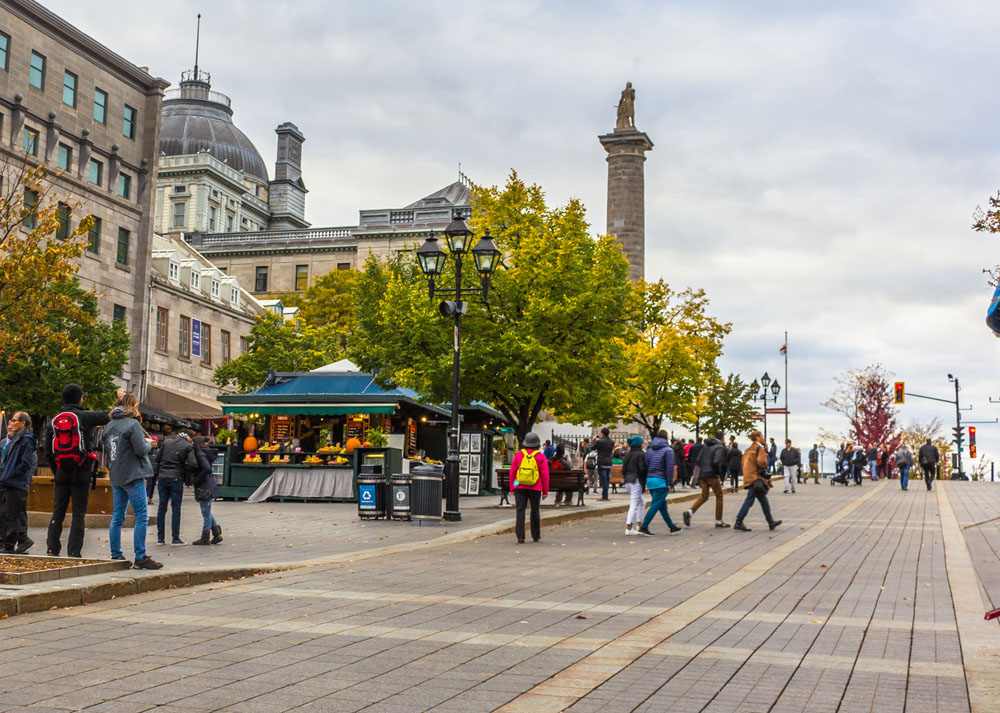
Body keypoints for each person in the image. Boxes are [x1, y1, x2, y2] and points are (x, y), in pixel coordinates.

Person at [45, 384, 122, 558]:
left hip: (61, 472)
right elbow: (110, 415)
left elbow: (48, 451)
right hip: (81, 470)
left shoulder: (54, 421)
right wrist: (121, 401)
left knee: (58, 511)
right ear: (80, 398)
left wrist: (56, 470)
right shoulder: (85, 417)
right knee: (78, 513)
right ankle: (74, 551)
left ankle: (52, 548)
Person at [101, 394, 162, 569]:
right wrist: (150, 443)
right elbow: (140, 450)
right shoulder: (133, 424)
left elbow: (110, 450)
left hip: (116, 474)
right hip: (133, 474)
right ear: (132, 406)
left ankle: (116, 554)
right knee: (141, 516)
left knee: (117, 516)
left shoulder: (109, 426)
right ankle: (140, 556)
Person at [1, 412, 37, 554]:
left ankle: (20, 540)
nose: (12, 423)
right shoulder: (18, 439)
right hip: (11, 481)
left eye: (15, 420)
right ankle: (15, 542)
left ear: (23, 423)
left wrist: (11, 475)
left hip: (16, 482)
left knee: (14, 514)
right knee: (11, 513)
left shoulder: (26, 439)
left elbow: (26, 462)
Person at [154, 431, 197, 545]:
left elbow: (158, 459)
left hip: (162, 477)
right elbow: (193, 463)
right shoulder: (188, 446)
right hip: (176, 478)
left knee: (161, 508)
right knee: (176, 508)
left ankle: (160, 538)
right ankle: (175, 538)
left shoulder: (167, 442)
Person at [735, 431, 782, 532]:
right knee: (749, 500)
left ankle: (770, 521)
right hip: (756, 478)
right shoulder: (759, 448)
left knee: (763, 500)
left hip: (749, 476)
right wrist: (765, 456)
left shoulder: (747, 450)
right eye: (762, 436)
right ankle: (739, 521)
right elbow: (763, 463)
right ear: (758, 437)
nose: (763, 438)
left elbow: (743, 463)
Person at [683, 430, 729, 529]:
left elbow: (698, 460)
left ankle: (689, 512)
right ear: (722, 437)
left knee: (704, 496)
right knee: (719, 496)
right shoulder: (719, 447)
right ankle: (719, 521)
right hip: (712, 475)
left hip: (702, 475)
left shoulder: (705, 446)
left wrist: (703, 470)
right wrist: (718, 472)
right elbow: (716, 461)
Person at [509, 432, 549, 544]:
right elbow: (545, 475)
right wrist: (545, 491)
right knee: (535, 510)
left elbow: (513, 472)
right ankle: (536, 535)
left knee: (520, 510)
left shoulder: (519, 454)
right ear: (537, 444)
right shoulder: (540, 456)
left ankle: (520, 536)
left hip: (520, 487)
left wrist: (512, 487)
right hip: (535, 487)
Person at [638, 430, 680, 536]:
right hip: (661, 481)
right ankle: (643, 527)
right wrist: (670, 482)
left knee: (662, 505)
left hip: (651, 480)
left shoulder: (650, 450)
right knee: (655, 505)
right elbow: (669, 468)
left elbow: (647, 464)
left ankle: (672, 527)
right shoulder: (668, 450)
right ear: (666, 438)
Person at [191, 436, 223, 545]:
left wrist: (196, 479)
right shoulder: (204, 453)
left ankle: (205, 536)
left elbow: (206, 468)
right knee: (207, 510)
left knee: (205, 512)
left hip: (204, 485)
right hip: (208, 484)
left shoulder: (200, 455)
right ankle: (216, 533)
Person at [621, 435, 647, 535]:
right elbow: (642, 469)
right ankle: (629, 527)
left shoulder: (628, 455)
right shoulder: (641, 454)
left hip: (628, 480)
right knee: (634, 503)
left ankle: (638, 524)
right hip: (636, 480)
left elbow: (623, 469)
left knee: (641, 502)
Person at [592, 427, 615, 501]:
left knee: (603, 479)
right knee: (607, 478)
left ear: (602, 433)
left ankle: (604, 496)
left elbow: (592, 448)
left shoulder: (599, 441)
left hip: (601, 461)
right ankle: (606, 495)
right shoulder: (612, 442)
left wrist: (594, 440)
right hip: (609, 461)